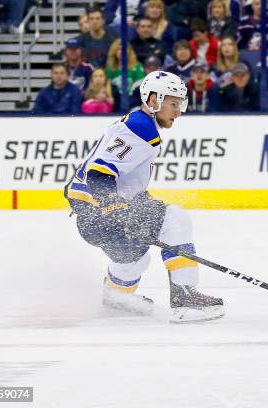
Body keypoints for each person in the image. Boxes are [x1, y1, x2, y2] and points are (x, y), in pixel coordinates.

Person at [64, 71, 224, 322]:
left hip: (90, 219)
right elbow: (98, 173)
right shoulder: (139, 128)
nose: (179, 111)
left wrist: (129, 203)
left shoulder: (139, 124)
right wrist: (112, 204)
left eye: (181, 104)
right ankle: (186, 298)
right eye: (174, 103)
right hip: (98, 213)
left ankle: (116, 298)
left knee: (134, 256)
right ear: (153, 100)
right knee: (174, 218)